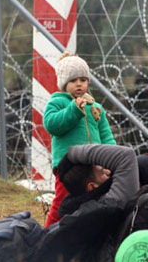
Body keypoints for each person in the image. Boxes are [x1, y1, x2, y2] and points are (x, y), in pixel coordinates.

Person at [43, 52, 116, 227]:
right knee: (62, 201)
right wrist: (73, 110)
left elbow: (106, 135)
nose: (79, 84)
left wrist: (112, 157)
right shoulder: (58, 102)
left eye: (83, 80)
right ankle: (47, 232)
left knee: (91, 199)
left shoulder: (95, 107)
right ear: (64, 83)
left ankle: (78, 230)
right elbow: (52, 125)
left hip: (92, 165)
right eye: (73, 80)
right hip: (69, 166)